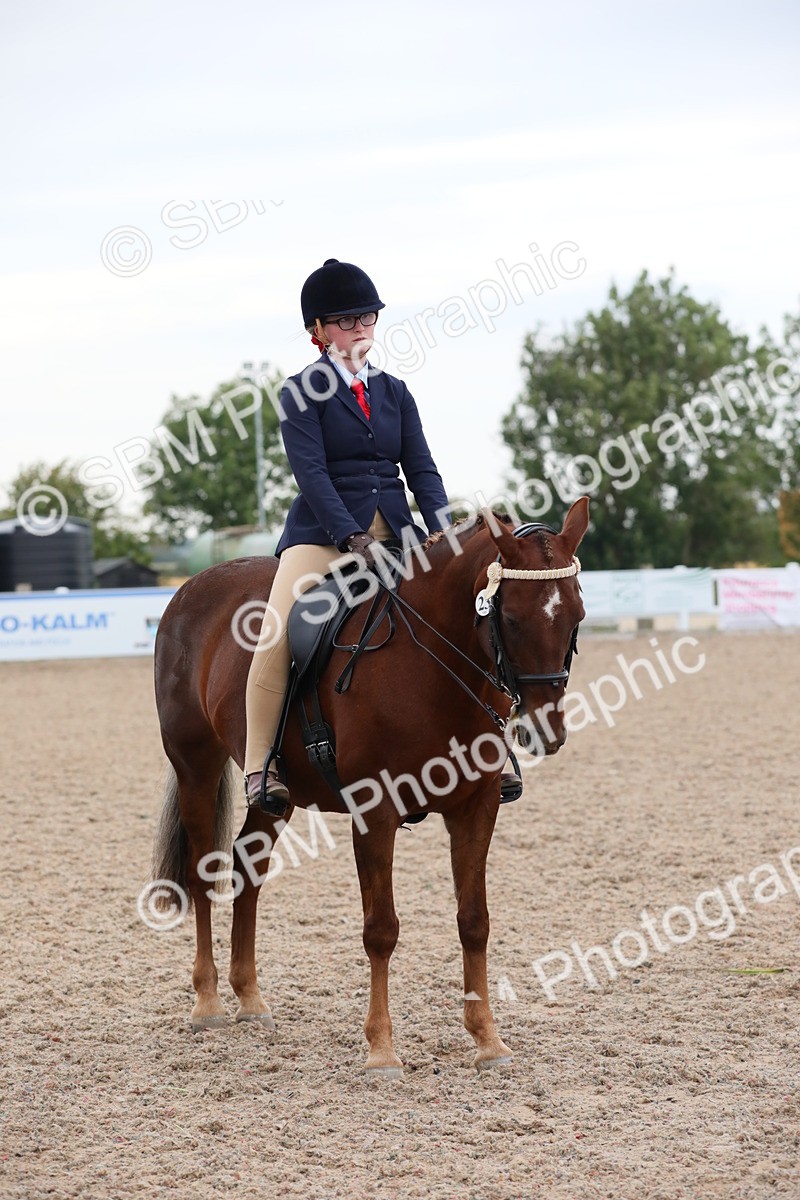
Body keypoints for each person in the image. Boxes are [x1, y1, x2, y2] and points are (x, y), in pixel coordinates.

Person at [243, 258, 452, 807]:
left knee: (466, 611)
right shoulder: (299, 391)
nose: (360, 328)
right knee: (275, 636)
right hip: (322, 536)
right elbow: (311, 475)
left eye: (368, 317)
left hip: (398, 531)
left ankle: (489, 749)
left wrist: (444, 531)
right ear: (318, 330)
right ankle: (260, 765)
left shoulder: (395, 392)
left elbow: (422, 470)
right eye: (345, 321)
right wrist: (351, 536)